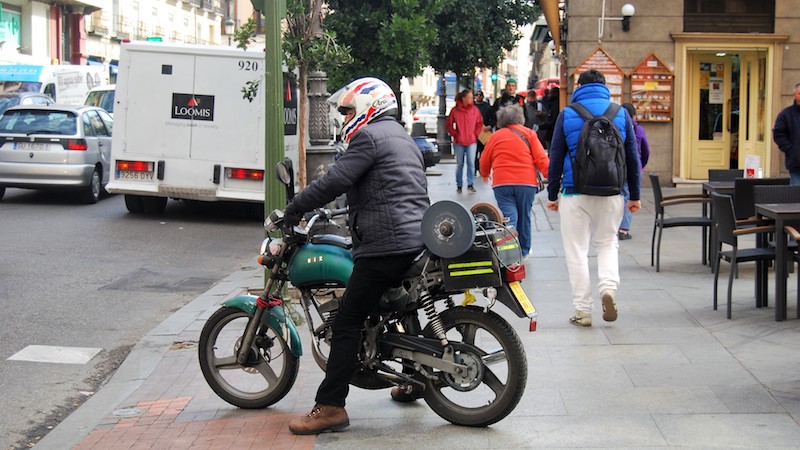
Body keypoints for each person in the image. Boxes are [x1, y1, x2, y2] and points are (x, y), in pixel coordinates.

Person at [285, 77, 430, 435]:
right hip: (415, 238)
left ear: (369, 107)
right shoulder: (400, 136)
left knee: (347, 321)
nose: (345, 116)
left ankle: (331, 406)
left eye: (349, 109)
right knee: (400, 307)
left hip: (386, 244)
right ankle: (412, 381)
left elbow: (335, 181)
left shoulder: (369, 137)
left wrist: (295, 207)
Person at [545, 69, 641, 327]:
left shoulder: (567, 114)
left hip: (575, 192)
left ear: (579, 86)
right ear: (604, 87)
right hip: (612, 192)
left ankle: (583, 311)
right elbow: (633, 158)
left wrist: (552, 194)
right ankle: (608, 288)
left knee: (576, 250)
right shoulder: (620, 113)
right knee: (608, 242)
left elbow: (555, 157)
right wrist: (635, 195)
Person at [480, 105, 550, 258]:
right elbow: (541, 158)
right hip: (526, 183)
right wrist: (550, 175)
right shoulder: (529, 134)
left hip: (502, 183)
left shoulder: (495, 136)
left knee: (510, 215)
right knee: (524, 216)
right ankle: (524, 250)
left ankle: (510, 251)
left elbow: (485, 159)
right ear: (520, 118)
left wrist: (485, 173)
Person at [618, 103, 650, 240]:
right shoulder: (639, 129)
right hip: (634, 167)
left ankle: (613, 225)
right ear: (634, 115)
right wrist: (640, 166)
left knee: (618, 195)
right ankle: (623, 229)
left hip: (618, 166)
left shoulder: (617, 126)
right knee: (629, 196)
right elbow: (646, 151)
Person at [446, 89, 484, 193]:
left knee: (471, 163)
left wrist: (475, 134)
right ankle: (459, 184)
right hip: (459, 141)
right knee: (460, 164)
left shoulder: (475, 110)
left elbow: (479, 123)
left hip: (472, 140)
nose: (472, 99)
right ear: (464, 99)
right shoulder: (455, 110)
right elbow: (449, 124)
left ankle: (470, 184)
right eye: (470, 97)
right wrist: (455, 134)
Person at [772, 82, 800, 185]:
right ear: (795, 95)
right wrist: (790, 150)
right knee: (797, 195)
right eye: (799, 94)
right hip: (796, 164)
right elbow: (778, 134)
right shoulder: (786, 114)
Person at [474, 90, 494, 173]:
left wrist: (490, 126)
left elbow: (493, 118)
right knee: (473, 152)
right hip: (474, 132)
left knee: (483, 152)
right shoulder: (472, 107)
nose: (478, 96)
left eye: (480, 95)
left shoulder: (488, 107)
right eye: (477, 95)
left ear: (482, 96)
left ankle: (482, 168)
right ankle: (475, 168)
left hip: (484, 132)